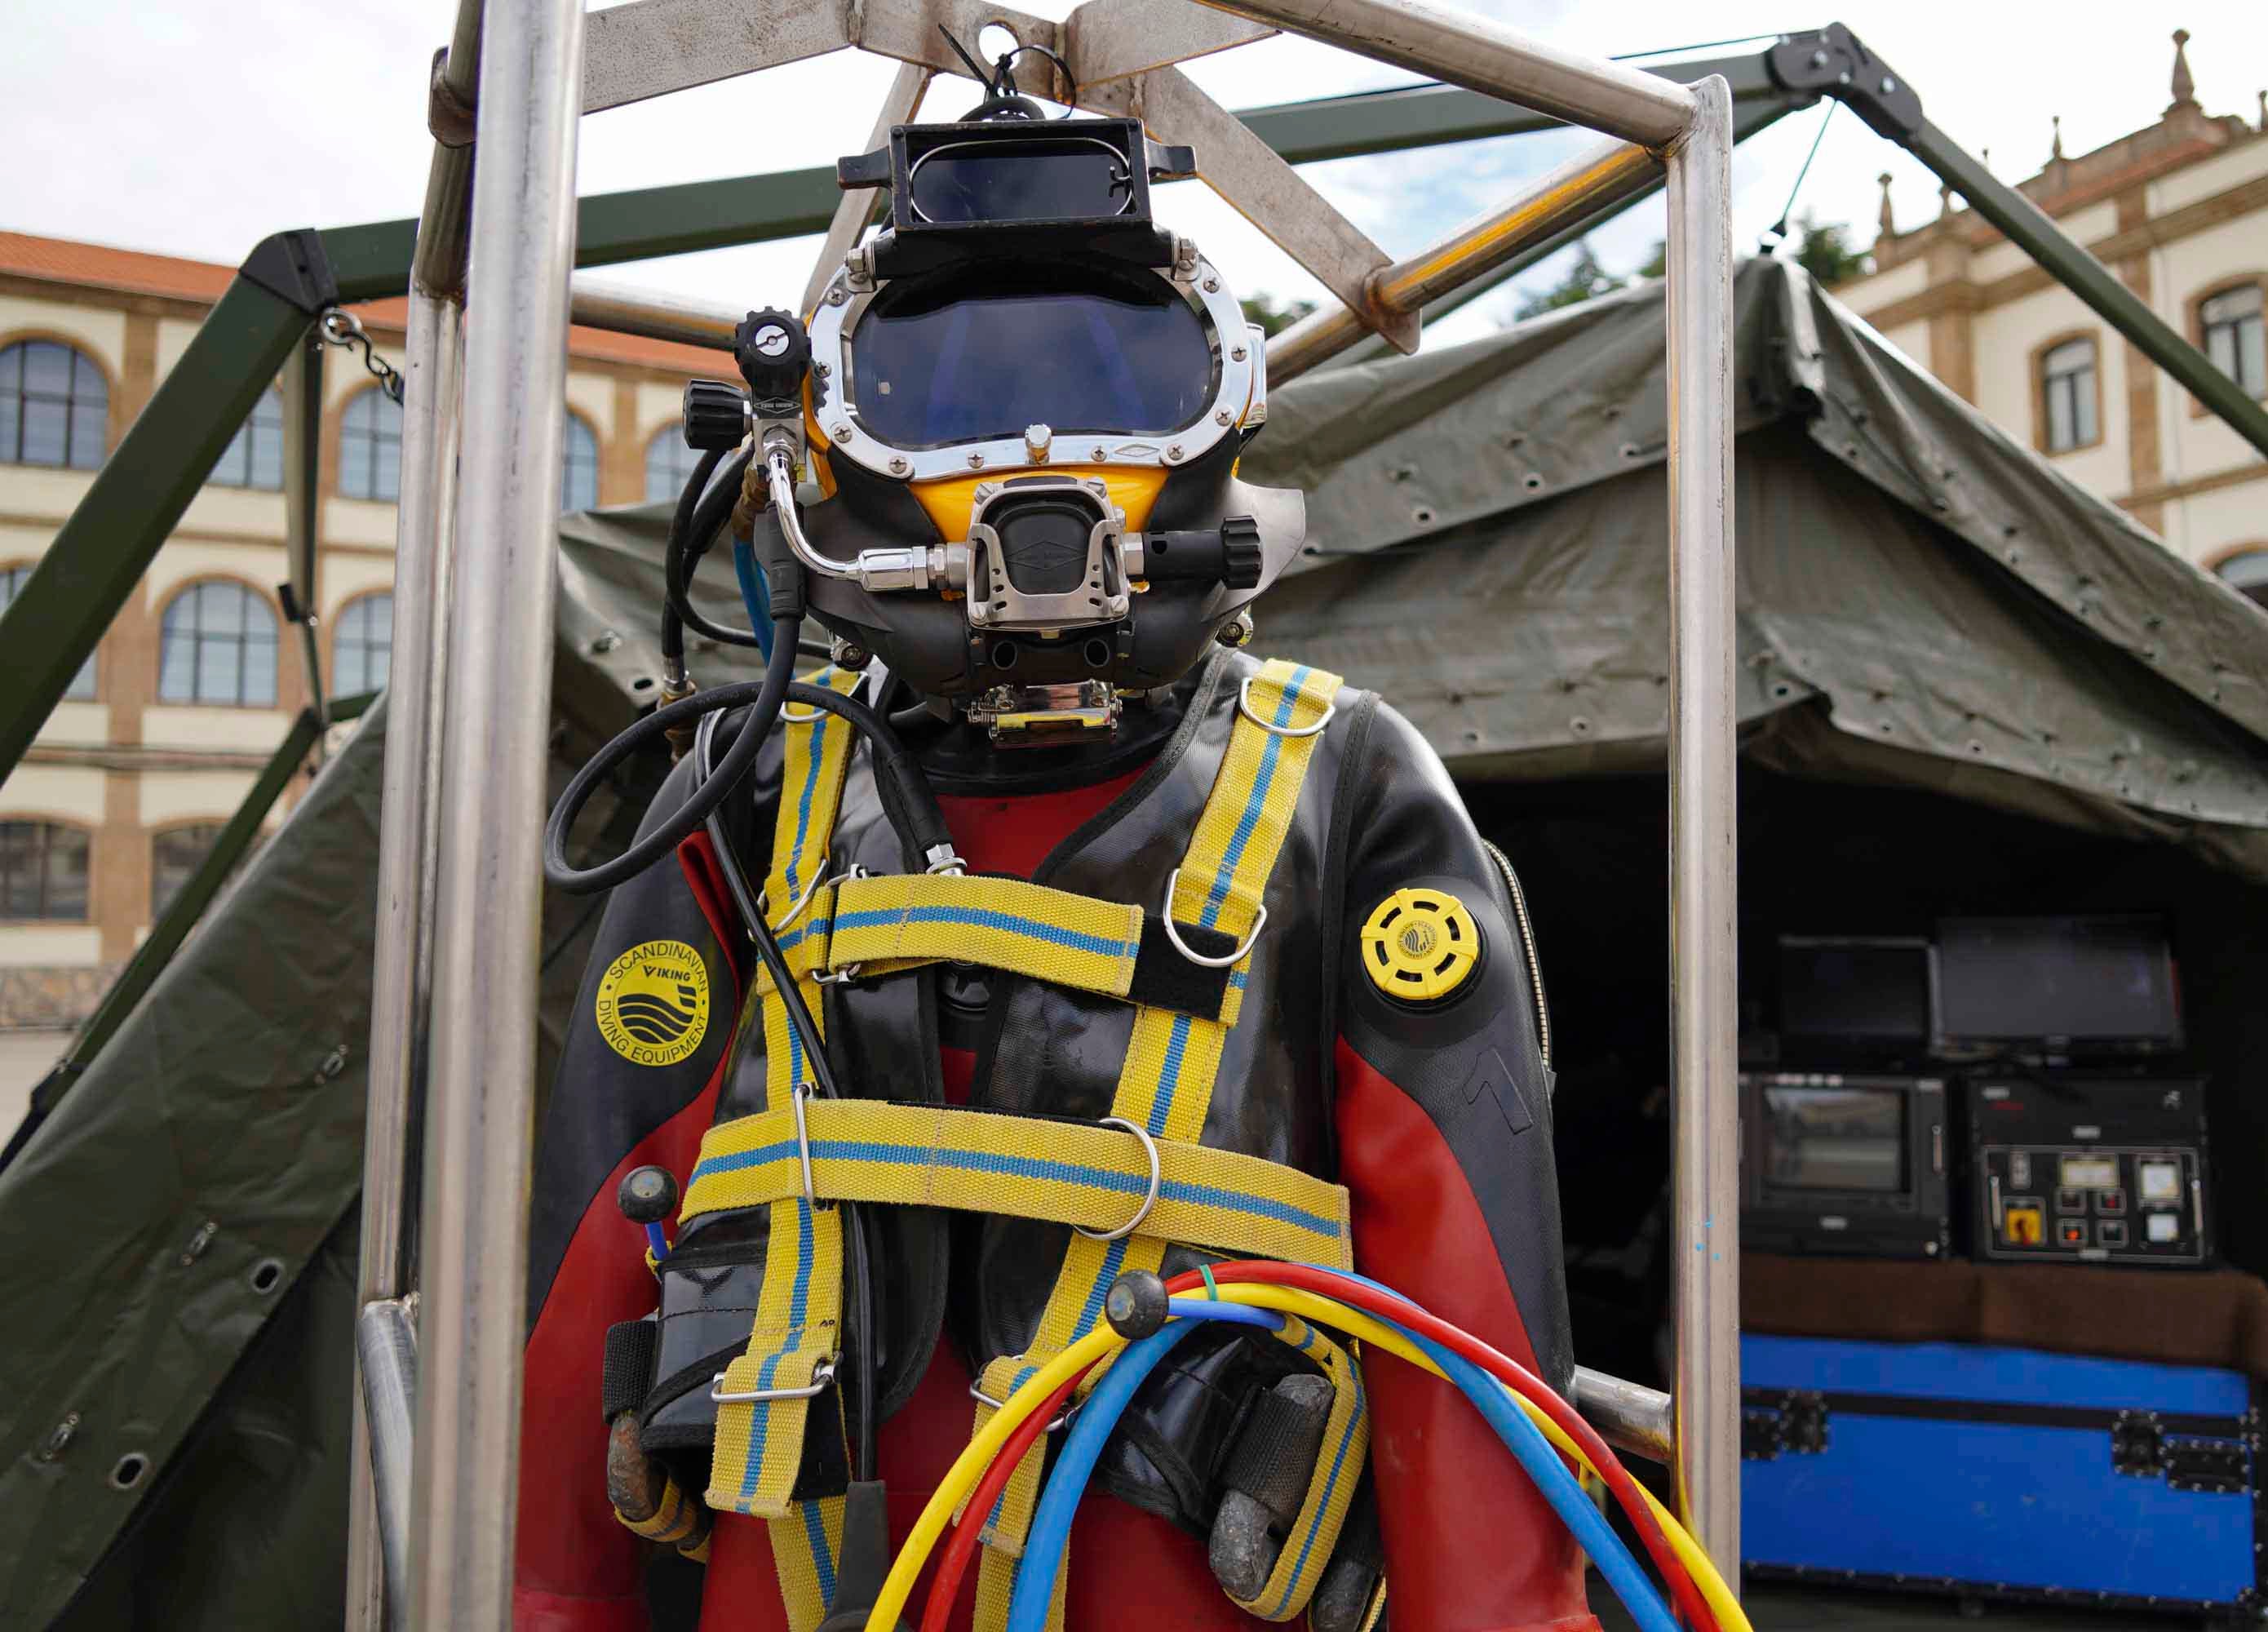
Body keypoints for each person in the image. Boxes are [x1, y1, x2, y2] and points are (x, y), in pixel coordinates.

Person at [515, 84, 1592, 1632]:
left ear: (1225, 417)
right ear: (823, 438)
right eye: (941, 395)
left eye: (1119, 386)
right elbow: (592, 1253)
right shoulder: (749, 794)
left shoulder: (1335, 785)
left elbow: (1467, 1285)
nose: (1033, 463)